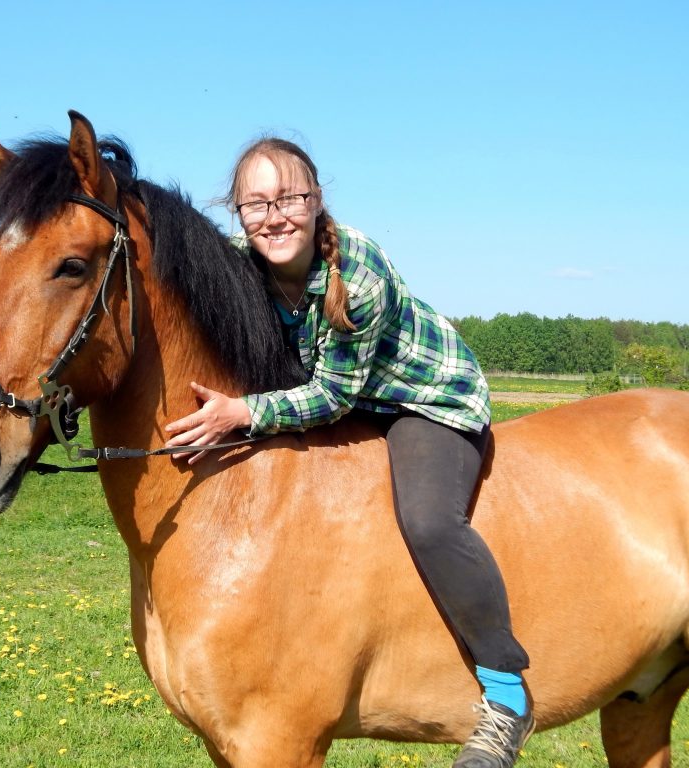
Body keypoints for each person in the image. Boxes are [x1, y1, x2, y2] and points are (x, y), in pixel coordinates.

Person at [163, 137, 534, 768]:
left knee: (427, 519)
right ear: (238, 212)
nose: (274, 216)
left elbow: (332, 395)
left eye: (289, 198)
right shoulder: (239, 262)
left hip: (421, 401)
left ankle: (506, 694)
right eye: (256, 204)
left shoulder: (356, 271)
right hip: (347, 398)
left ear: (316, 201)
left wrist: (242, 413)